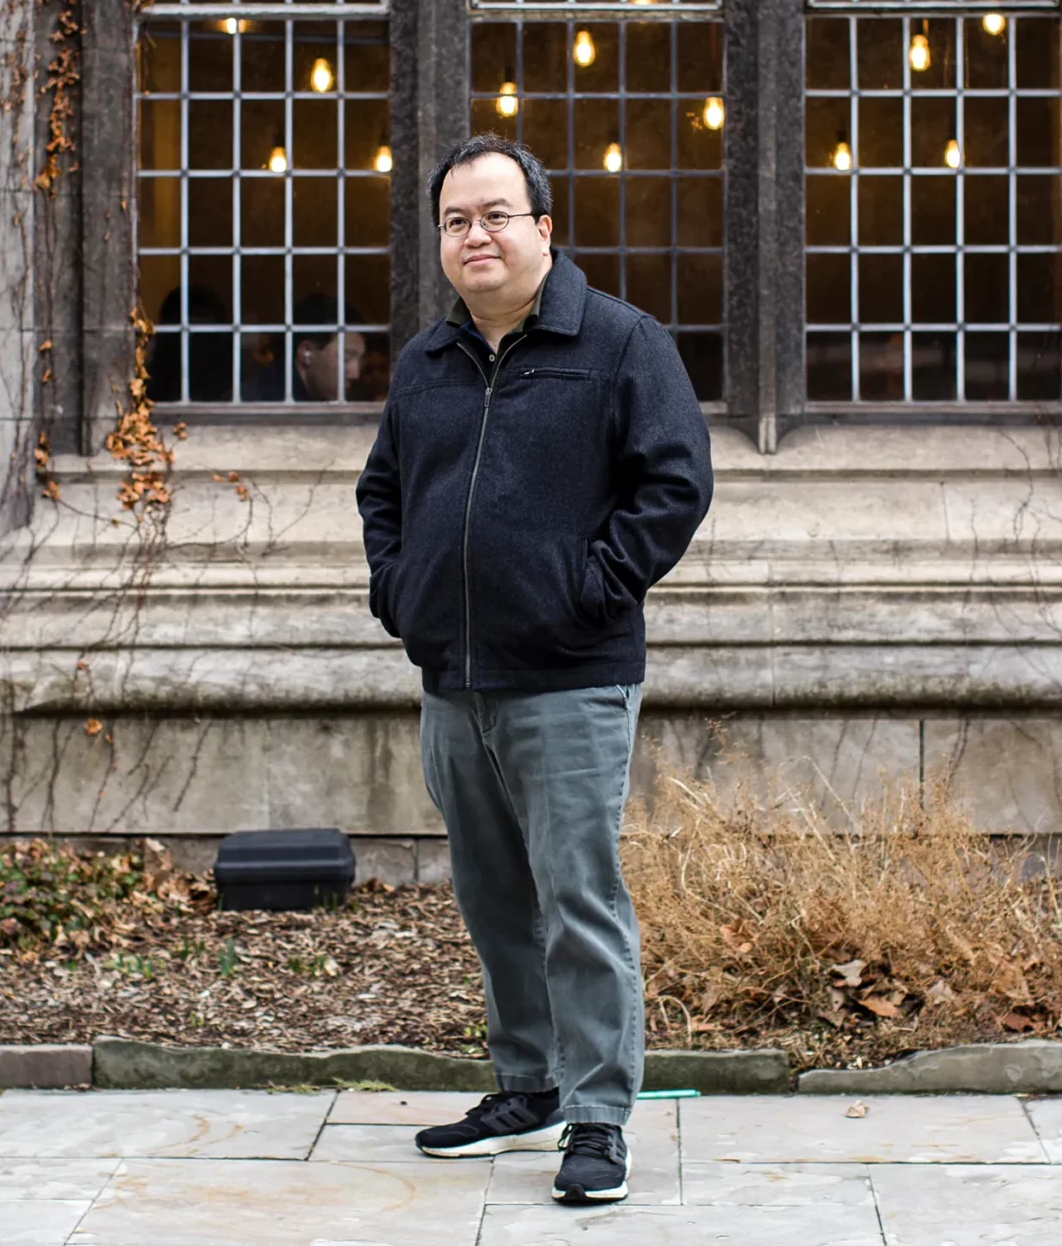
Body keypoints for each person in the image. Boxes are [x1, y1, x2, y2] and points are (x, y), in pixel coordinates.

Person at [354, 132, 712, 1207]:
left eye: (497, 214)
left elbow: (673, 486)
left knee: (577, 898)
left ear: (544, 229)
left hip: (570, 681)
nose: (477, 235)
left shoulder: (619, 345)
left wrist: (585, 596)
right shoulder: (427, 363)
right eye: (457, 220)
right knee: (495, 896)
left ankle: (598, 1117)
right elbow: (383, 498)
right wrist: (400, 594)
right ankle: (529, 1085)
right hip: (454, 681)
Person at [240, 294, 369, 401]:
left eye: (361, 360)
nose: (355, 374)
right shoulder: (262, 403)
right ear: (306, 353)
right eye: (346, 358)